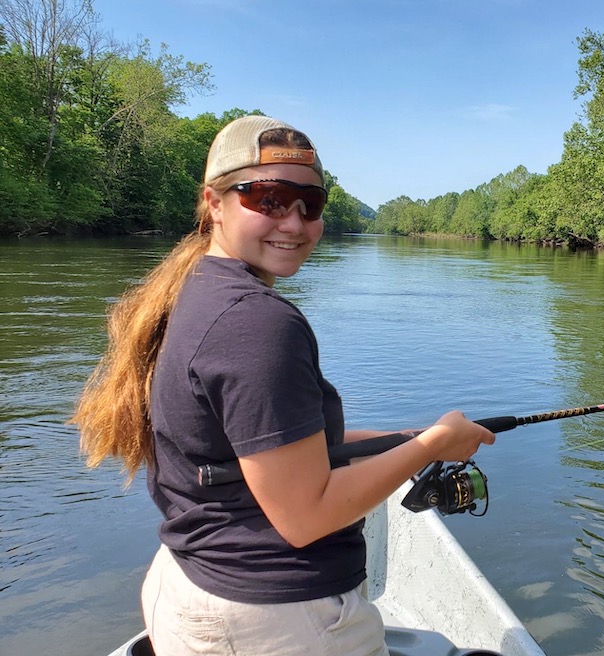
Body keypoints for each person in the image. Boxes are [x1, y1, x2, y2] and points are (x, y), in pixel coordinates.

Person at [70, 114, 495, 656]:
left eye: (309, 204)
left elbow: (264, 450)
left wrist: (408, 437)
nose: (293, 223)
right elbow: (305, 516)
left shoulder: (196, 288)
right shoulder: (256, 323)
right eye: (268, 198)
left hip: (195, 584)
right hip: (277, 624)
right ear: (214, 202)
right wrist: (432, 447)